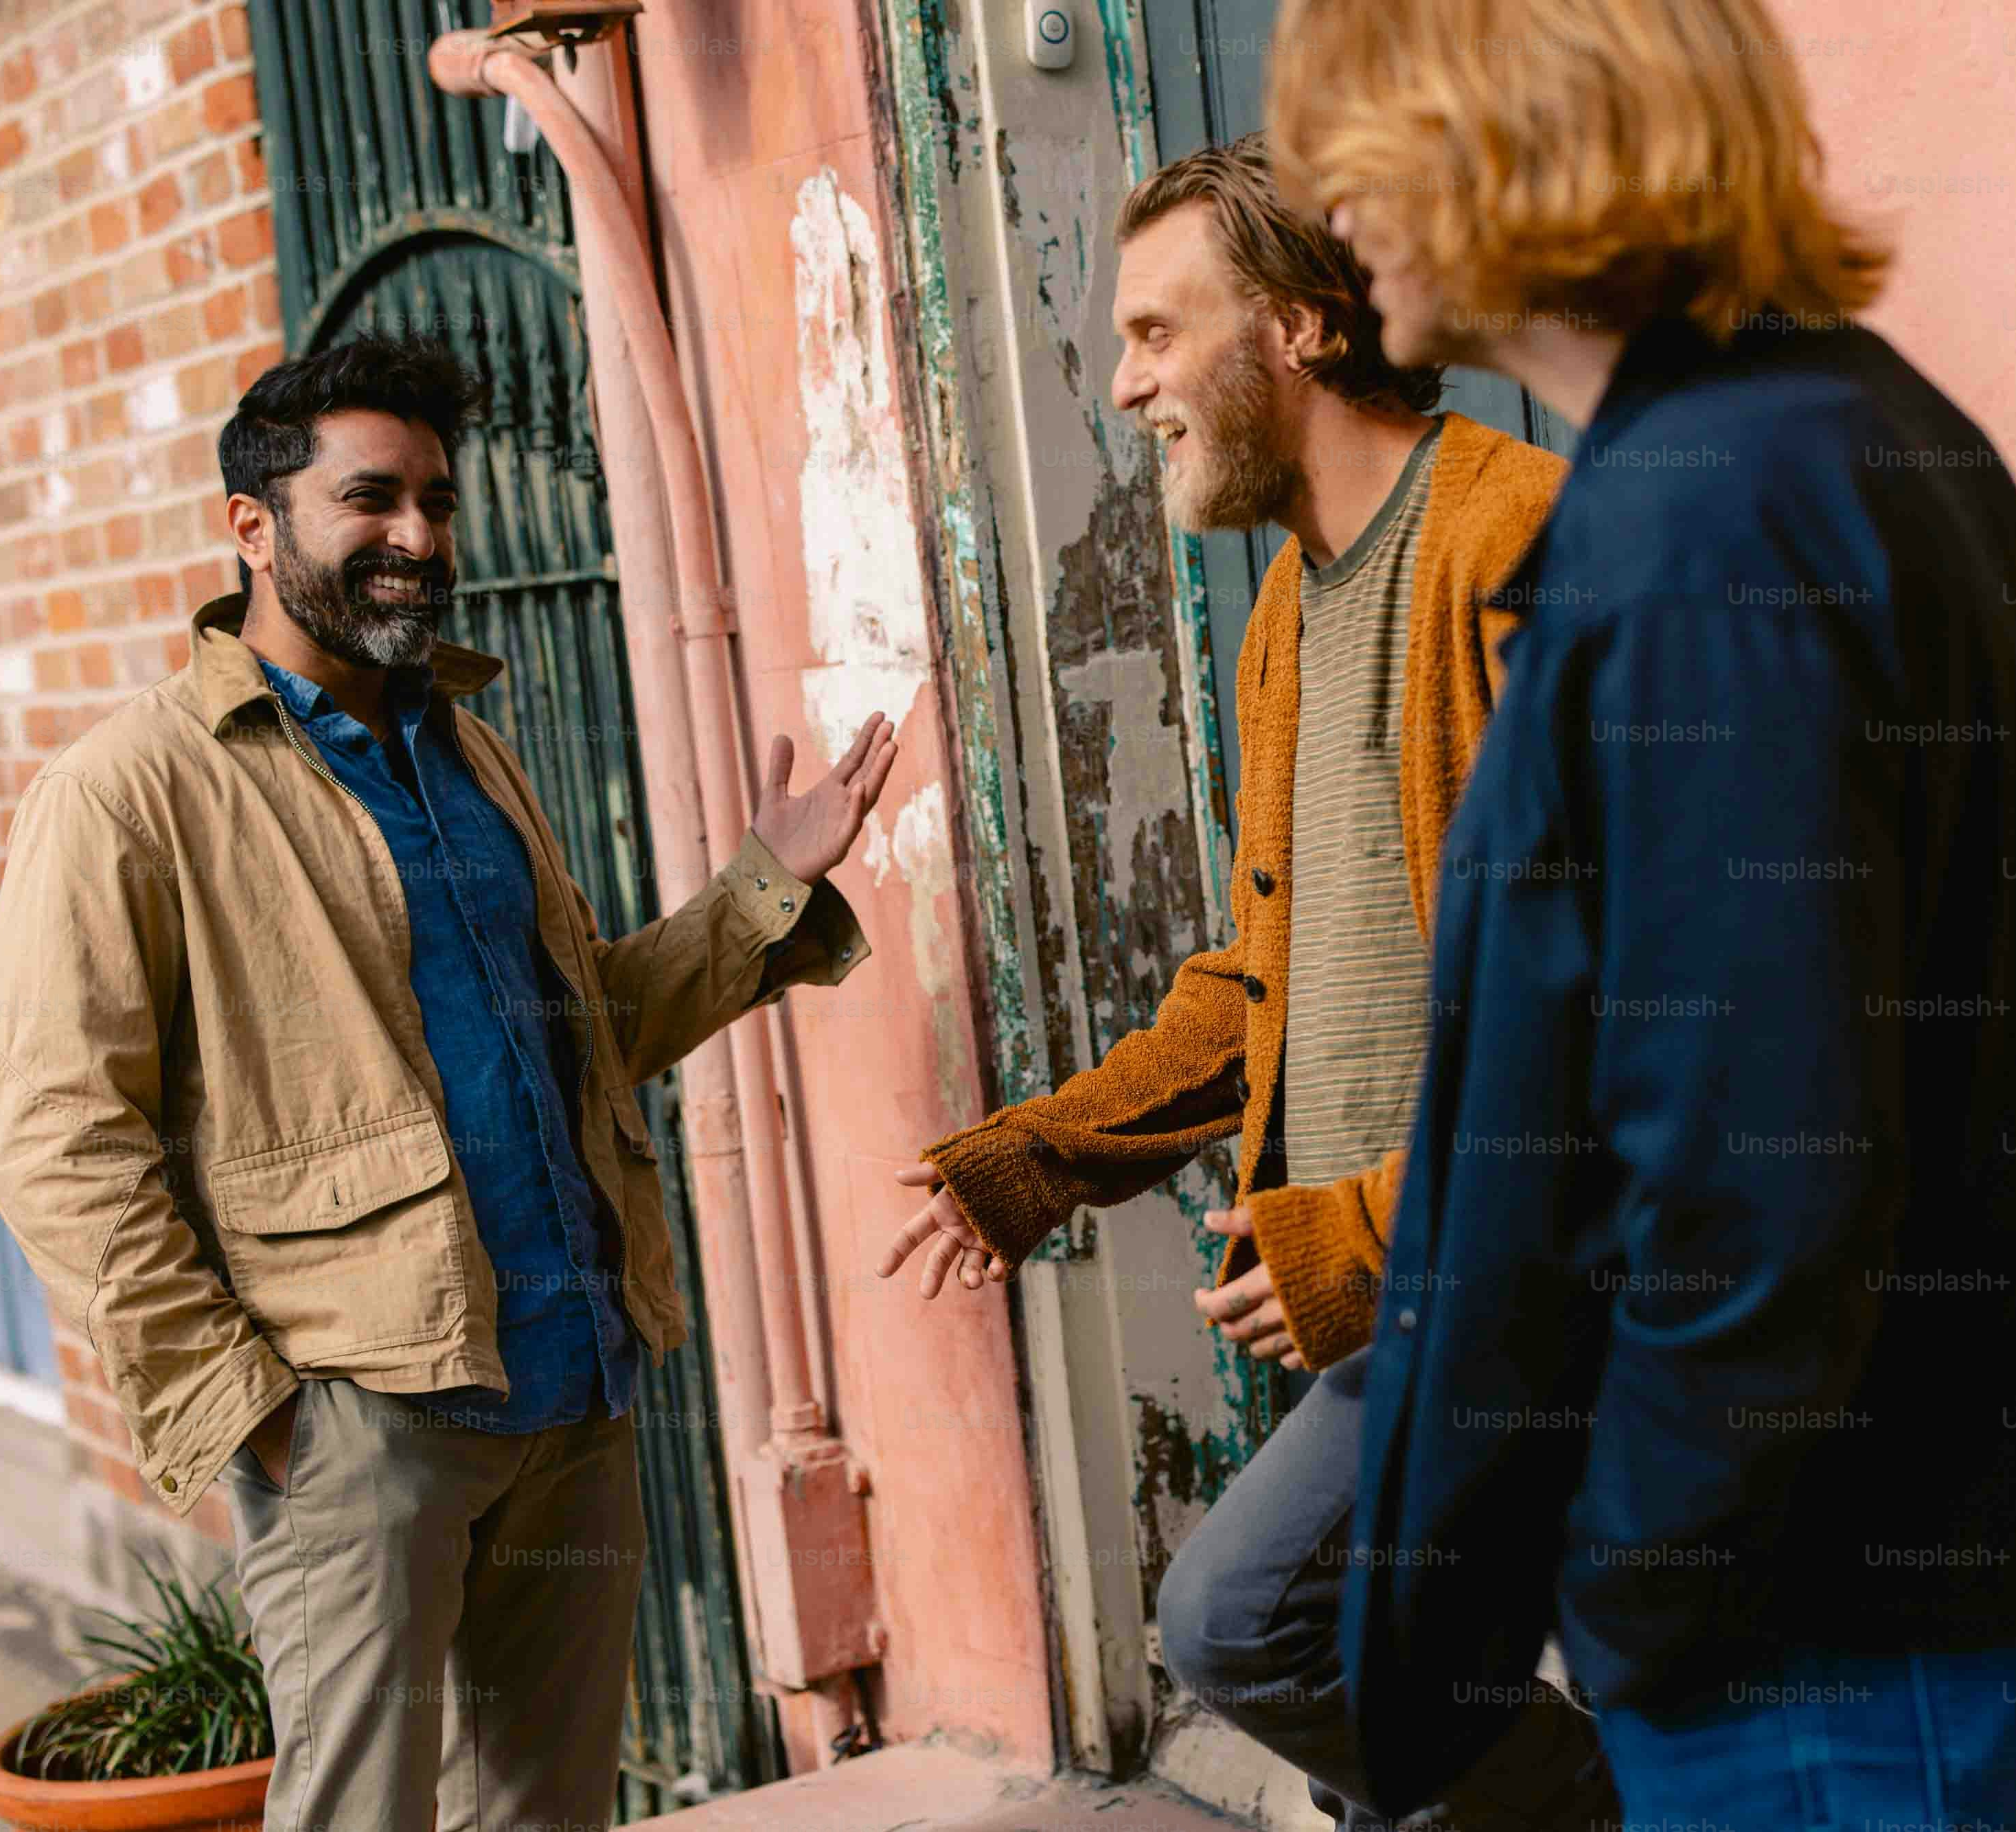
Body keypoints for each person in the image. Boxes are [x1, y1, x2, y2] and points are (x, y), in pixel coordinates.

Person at [1261, 1, 2016, 1826]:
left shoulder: (1717, 518)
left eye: (1358, 149)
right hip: (1851, 1605)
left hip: (1815, 1637)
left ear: (1501, 144)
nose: (1331, 206)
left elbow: (1761, 1160)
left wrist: (1635, 1588)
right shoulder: (1796, 442)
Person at [0, 333, 893, 1830]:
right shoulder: (130, 787)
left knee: (544, 1815)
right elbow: (57, 1140)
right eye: (371, 498)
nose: (418, 535)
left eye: (436, 499)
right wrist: (249, 1405)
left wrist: (756, 893)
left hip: (573, 1388)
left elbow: (570, 1030)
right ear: (253, 525)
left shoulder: (461, 747)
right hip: (366, 1419)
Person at [875, 138, 1610, 1830]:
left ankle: (1595, 1796)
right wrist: (1036, 1161)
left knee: (1241, 1616)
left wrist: (1366, 1238)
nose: (1125, 385)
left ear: (1290, 328)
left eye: (1153, 331)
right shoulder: (1287, 606)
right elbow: (1254, 985)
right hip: (1399, 1297)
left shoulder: (1516, 541)